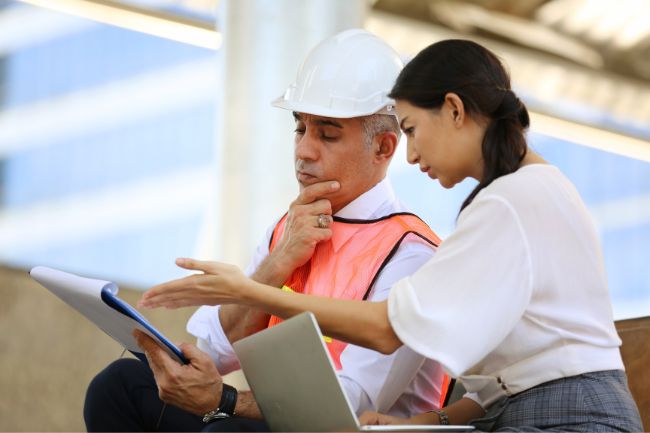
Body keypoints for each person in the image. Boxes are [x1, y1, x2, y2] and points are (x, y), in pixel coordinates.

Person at [140, 39, 644, 432]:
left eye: (411, 130)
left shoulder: (511, 202)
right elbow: (505, 382)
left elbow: (386, 330)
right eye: (301, 129)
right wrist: (421, 423)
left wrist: (249, 289)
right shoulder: (522, 196)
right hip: (529, 414)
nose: (409, 154)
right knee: (126, 390)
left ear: (453, 110)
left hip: (570, 419)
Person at [84, 29, 449, 432]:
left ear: (383, 148)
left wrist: (225, 400)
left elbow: (349, 405)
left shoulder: (412, 254)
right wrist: (275, 267)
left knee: (227, 430)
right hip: (274, 422)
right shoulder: (290, 229)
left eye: (327, 134)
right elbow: (216, 351)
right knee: (118, 386)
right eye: (300, 128)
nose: (304, 150)